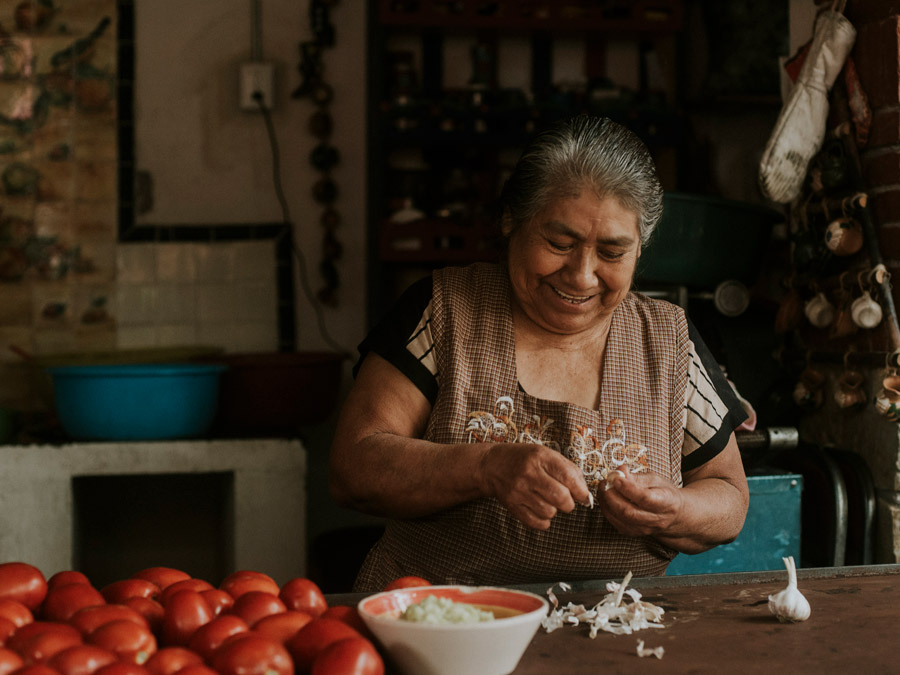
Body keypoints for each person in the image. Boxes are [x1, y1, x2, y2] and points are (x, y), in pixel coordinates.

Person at [330, 115, 749, 592]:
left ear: (640, 248)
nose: (582, 275)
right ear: (511, 220)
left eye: (612, 253)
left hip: (615, 633)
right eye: (559, 243)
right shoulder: (443, 309)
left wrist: (678, 509)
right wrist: (485, 468)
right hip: (441, 623)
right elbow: (353, 467)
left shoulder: (668, 340)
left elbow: (730, 498)